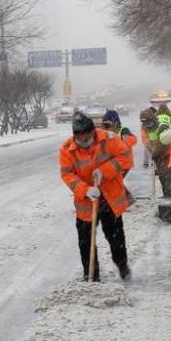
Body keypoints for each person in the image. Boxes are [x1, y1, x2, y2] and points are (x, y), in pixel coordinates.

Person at [59, 112, 132, 282]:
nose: (84, 142)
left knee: (115, 238)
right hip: (86, 202)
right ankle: (91, 275)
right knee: (85, 241)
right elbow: (67, 175)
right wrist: (85, 190)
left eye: (88, 137)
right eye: (81, 139)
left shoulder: (109, 139)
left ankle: (122, 265)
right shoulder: (66, 149)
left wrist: (105, 170)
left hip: (109, 198)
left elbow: (125, 157)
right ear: (75, 135)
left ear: (94, 131)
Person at [102, 109, 137, 204]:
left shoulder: (123, 131)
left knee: (115, 181)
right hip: (116, 163)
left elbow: (133, 140)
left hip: (125, 163)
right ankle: (127, 200)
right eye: (105, 125)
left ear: (116, 123)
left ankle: (126, 200)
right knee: (115, 181)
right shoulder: (107, 134)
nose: (107, 127)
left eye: (108, 124)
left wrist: (123, 142)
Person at [141, 107, 171, 199]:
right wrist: (152, 154)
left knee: (166, 175)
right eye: (144, 123)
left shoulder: (161, 125)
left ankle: (169, 196)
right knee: (162, 175)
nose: (147, 125)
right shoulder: (145, 128)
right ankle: (166, 195)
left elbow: (164, 141)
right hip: (158, 155)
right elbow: (147, 142)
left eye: (148, 122)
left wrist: (156, 152)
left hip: (167, 152)